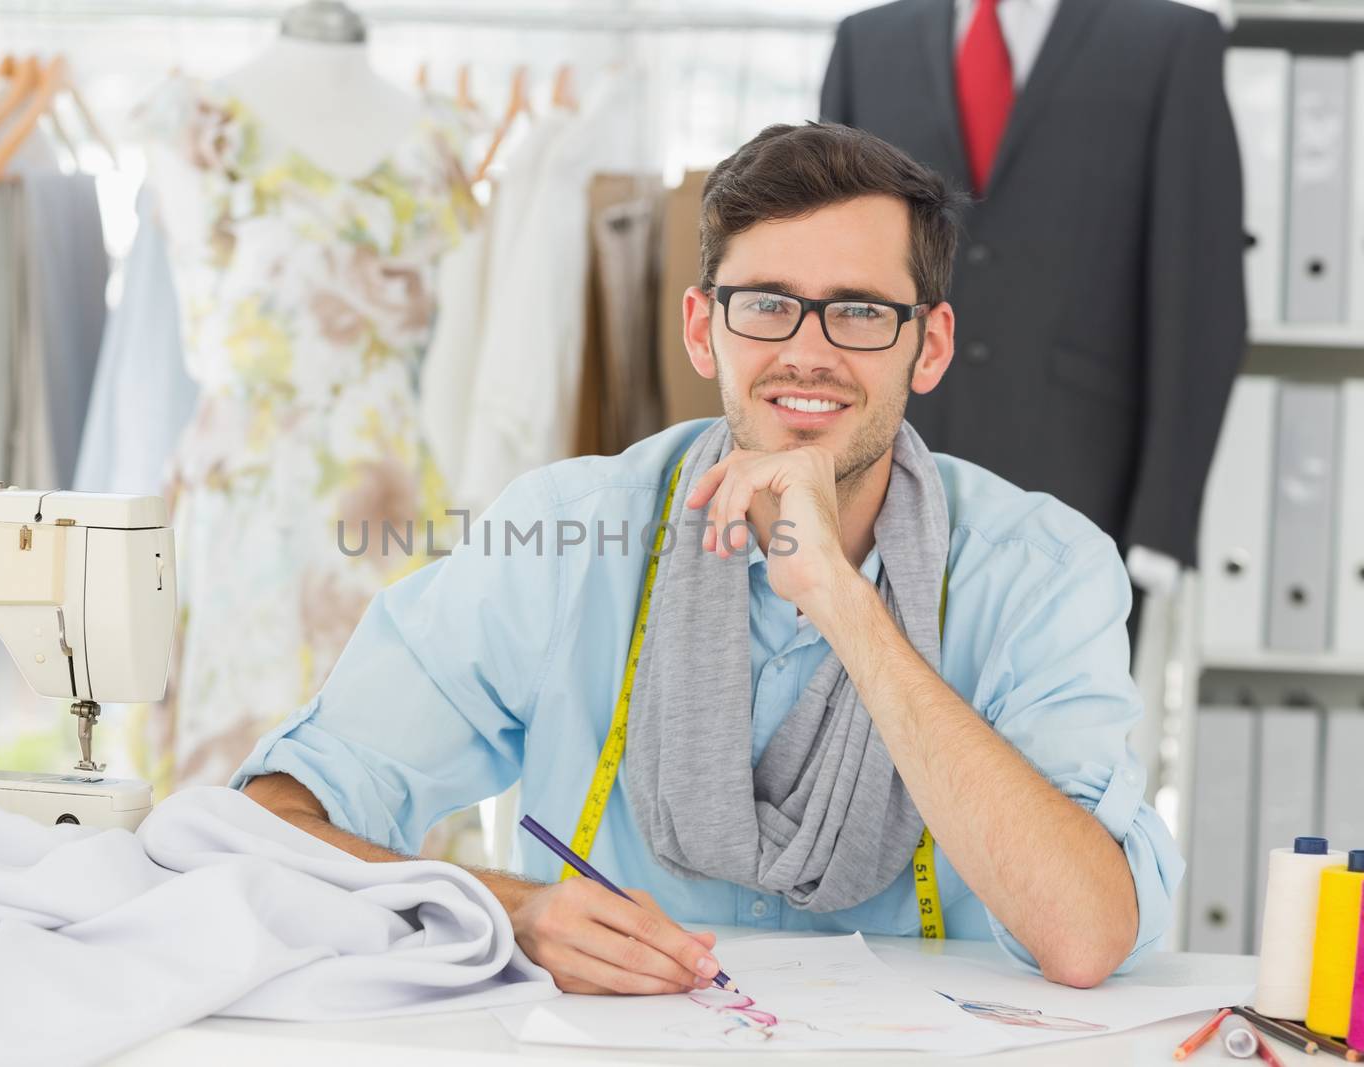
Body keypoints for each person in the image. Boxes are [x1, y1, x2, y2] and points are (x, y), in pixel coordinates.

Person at [234, 121, 1181, 996]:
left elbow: (1086, 933)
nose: (808, 354)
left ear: (927, 347)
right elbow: (274, 818)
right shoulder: (562, 540)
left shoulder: (1042, 571)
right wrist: (512, 910)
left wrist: (844, 601)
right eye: (767, 305)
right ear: (702, 329)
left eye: (857, 311)